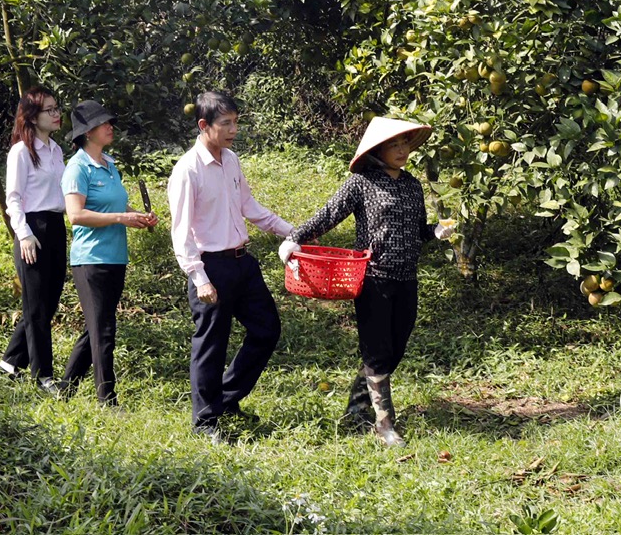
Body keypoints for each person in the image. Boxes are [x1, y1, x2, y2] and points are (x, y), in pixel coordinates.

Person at [279, 116, 447, 446]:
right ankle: (384, 424)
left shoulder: (412, 184)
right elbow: (329, 214)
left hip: (406, 278)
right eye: (393, 145)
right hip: (373, 278)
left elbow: (416, 231)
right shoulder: (361, 183)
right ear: (377, 151)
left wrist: (435, 233)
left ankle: (357, 407)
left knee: (396, 347)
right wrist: (295, 238)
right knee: (377, 348)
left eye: (404, 144)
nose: (401, 150)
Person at [167, 90, 298, 441]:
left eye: (236, 122)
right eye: (226, 123)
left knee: (266, 329)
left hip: (242, 263)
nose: (233, 130)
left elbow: (249, 206)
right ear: (203, 125)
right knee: (211, 345)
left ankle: (226, 398)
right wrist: (199, 277)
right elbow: (180, 232)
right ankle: (205, 422)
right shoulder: (187, 170)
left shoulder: (232, 160)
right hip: (211, 268)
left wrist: (293, 230)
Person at [61, 100, 157, 406]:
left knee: (96, 327)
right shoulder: (77, 168)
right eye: (104, 123)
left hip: (116, 256)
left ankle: (65, 387)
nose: (110, 127)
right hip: (90, 259)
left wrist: (136, 217)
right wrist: (120, 219)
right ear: (88, 133)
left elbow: (115, 206)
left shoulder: (109, 164)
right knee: (103, 329)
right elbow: (75, 215)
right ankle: (107, 398)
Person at [0, 86, 68, 395]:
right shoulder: (21, 152)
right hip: (33, 228)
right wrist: (23, 234)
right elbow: (13, 199)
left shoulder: (55, 150)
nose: (56, 114)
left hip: (56, 225)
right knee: (36, 307)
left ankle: (9, 364)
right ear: (31, 116)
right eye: (49, 110)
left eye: (56, 108)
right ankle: (43, 376)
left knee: (47, 303)